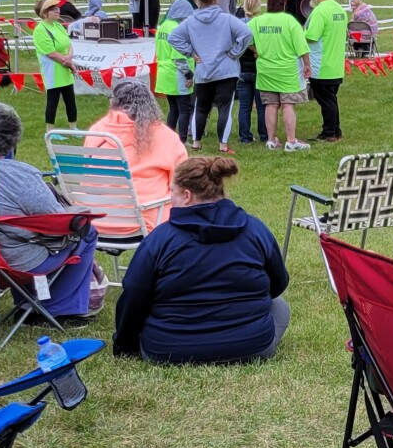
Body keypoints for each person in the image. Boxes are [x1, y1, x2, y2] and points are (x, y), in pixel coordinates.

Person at [113, 155, 290, 365]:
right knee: (280, 306)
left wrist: (124, 343)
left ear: (186, 195)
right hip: (251, 345)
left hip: (168, 350)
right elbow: (278, 283)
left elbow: (134, 293)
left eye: (172, 192)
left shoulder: (160, 239)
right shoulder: (255, 230)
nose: (171, 199)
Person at [0, 101, 101, 318]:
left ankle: (32, 303)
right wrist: (79, 212)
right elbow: (57, 222)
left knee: (16, 235)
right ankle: (58, 310)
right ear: (14, 137)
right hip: (10, 264)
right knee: (85, 231)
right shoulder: (20, 176)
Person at [87, 78, 188, 236]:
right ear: (150, 103)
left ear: (115, 102)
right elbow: (182, 183)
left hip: (95, 220)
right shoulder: (165, 136)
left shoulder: (95, 132)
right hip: (143, 221)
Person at [170, 0, 250, 153]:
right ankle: (223, 144)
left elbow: (173, 38)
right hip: (226, 70)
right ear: (215, 0)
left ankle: (196, 142)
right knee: (224, 109)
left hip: (203, 70)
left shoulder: (191, 21)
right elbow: (247, 33)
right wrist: (235, 52)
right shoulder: (226, 19)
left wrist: (191, 52)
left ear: (198, 1)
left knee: (200, 107)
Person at [251, 0, 313, 151]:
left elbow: (243, 37)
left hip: (266, 71)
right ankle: (291, 141)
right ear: (284, 4)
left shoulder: (257, 21)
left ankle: (271, 140)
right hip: (288, 71)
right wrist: (307, 64)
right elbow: (302, 46)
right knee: (288, 105)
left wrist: (255, 48)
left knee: (270, 105)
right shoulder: (290, 21)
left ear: (268, 5)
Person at [302, 0, 347, 142]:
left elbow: (312, 36)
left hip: (321, 65)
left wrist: (299, 35)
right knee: (331, 100)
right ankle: (335, 130)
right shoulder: (339, 9)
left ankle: (329, 132)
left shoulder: (320, 11)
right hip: (335, 64)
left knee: (326, 102)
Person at [32, 0, 79, 129]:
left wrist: (69, 57)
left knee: (70, 100)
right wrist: (68, 63)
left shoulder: (58, 25)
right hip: (53, 70)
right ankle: (50, 130)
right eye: (53, 9)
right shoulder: (40, 30)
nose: (58, 11)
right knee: (53, 101)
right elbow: (51, 53)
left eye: (57, 8)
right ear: (44, 13)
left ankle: (73, 127)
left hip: (64, 68)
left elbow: (68, 43)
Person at [154, 0, 197, 139]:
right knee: (185, 109)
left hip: (164, 72)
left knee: (173, 108)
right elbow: (178, 57)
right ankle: (182, 140)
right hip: (177, 74)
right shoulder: (178, 29)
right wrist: (189, 75)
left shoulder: (164, 25)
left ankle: (169, 138)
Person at [235, 0, 269, 145]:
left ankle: (245, 136)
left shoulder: (237, 25)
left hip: (241, 69)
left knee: (244, 106)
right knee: (261, 105)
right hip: (258, 68)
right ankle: (264, 134)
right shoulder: (260, 24)